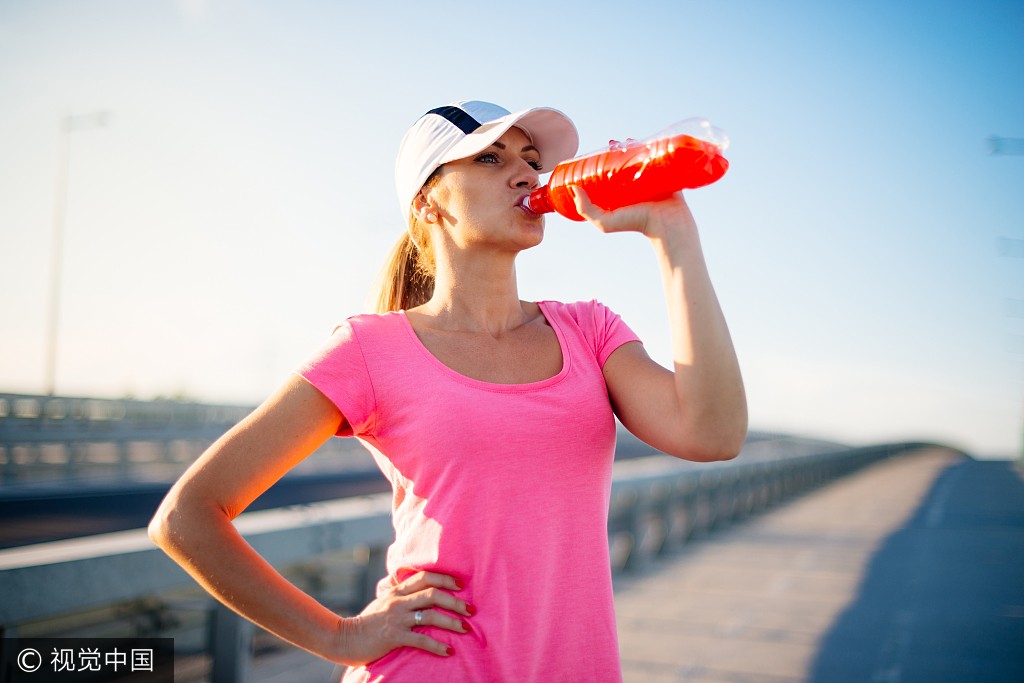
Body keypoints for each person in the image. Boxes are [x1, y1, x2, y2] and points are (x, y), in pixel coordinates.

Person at [149, 99, 747, 681]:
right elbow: (186, 517)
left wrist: (673, 234)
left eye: (531, 160)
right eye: (490, 158)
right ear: (427, 200)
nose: (527, 174)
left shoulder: (589, 331)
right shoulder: (369, 349)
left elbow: (713, 435)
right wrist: (340, 636)